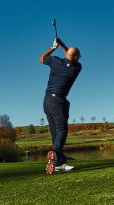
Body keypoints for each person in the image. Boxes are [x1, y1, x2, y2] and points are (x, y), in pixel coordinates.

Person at [40, 38, 82, 174]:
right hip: (58, 102)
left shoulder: (55, 61)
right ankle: (55, 152)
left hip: (46, 100)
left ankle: (59, 163)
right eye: (79, 55)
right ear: (76, 57)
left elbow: (42, 58)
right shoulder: (76, 67)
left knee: (55, 133)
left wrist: (54, 47)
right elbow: (70, 57)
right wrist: (63, 44)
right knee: (62, 130)